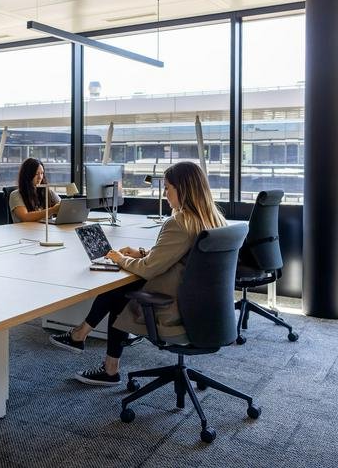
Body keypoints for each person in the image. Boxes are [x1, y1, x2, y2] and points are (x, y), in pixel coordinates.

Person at [49, 161, 227, 386]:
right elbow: (179, 254)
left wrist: (120, 258)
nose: (164, 193)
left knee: (120, 289)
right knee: (123, 289)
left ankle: (90, 345)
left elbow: (149, 268)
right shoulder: (214, 220)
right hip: (206, 310)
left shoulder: (179, 222)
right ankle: (91, 346)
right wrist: (141, 252)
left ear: (182, 189)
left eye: (167, 188)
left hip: (175, 311)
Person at [8, 158, 61, 223]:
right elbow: (25, 217)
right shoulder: (16, 195)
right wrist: (52, 210)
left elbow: (61, 204)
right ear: (27, 175)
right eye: (36, 174)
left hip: (44, 230)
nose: (40, 177)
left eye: (42, 173)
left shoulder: (47, 192)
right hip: (25, 231)